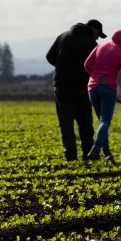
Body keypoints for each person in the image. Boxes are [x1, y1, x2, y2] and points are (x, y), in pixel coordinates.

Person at [46, 19, 106, 161]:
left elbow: (50, 56)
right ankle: (87, 154)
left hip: (62, 86)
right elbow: (97, 68)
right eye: (98, 33)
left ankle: (70, 157)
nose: (97, 37)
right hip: (82, 88)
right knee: (85, 121)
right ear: (93, 29)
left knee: (65, 122)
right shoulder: (92, 44)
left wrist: (63, 67)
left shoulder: (63, 36)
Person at [83, 27, 121, 162]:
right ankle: (96, 148)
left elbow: (86, 65)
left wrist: (96, 78)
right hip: (108, 89)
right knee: (105, 122)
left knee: (103, 123)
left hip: (92, 88)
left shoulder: (101, 46)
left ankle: (108, 156)